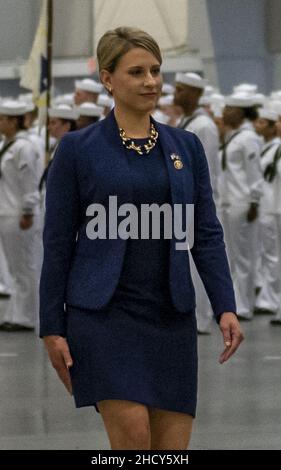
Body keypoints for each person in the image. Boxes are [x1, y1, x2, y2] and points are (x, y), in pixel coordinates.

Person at [40, 27, 244, 451]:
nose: (151, 81)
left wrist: (225, 304)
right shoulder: (78, 150)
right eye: (137, 72)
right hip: (103, 315)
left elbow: (205, 232)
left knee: (171, 449)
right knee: (133, 440)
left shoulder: (185, 147)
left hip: (170, 315)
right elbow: (58, 242)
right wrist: (51, 327)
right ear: (108, 79)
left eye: (156, 70)